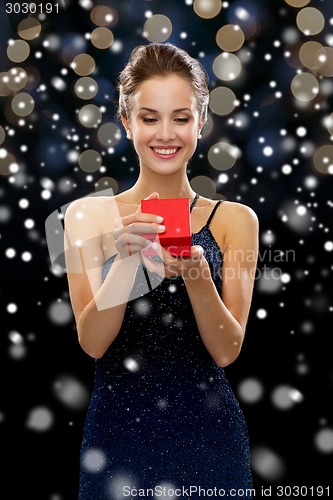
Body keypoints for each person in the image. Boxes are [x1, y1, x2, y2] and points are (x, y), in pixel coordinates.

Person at [64, 42, 259, 499]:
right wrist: (127, 262)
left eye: (181, 117)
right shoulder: (84, 217)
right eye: (149, 118)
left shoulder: (236, 220)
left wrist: (196, 274)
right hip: (116, 440)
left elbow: (228, 350)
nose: (165, 133)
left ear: (202, 122)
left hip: (211, 439)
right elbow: (92, 343)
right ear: (127, 122)